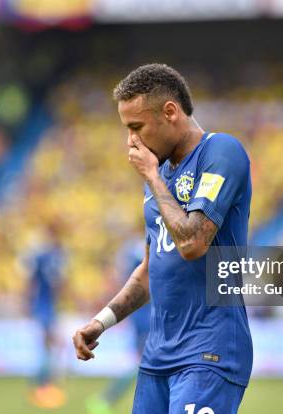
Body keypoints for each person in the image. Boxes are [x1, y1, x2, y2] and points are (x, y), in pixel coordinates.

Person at [73, 63, 253, 414]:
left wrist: (154, 179)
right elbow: (150, 268)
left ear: (170, 112)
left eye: (136, 127)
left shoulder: (220, 152)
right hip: (157, 358)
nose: (131, 141)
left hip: (209, 353)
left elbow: (193, 243)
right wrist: (102, 322)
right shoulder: (160, 176)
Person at [86, 237, 150, 414]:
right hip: (147, 313)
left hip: (138, 312)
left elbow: (123, 279)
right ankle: (106, 398)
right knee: (144, 361)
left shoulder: (130, 249)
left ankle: (107, 399)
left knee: (143, 361)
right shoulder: (144, 247)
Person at [23, 224, 67, 409]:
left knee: (49, 345)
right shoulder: (52, 257)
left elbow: (32, 281)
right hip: (44, 306)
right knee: (50, 344)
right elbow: (57, 283)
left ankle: (43, 383)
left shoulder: (44, 256)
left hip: (46, 306)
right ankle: (42, 385)